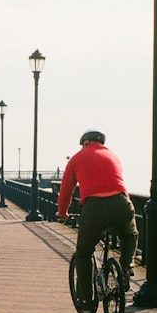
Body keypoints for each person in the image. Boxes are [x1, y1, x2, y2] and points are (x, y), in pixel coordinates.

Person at [55, 129, 138, 303]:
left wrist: (62, 213)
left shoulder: (78, 157)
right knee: (130, 234)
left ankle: (85, 299)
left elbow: (66, 189)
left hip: (94, 208)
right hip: (121, 203)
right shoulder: (114, 156)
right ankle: (126, 265)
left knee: (84, 253)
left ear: (85, 143)